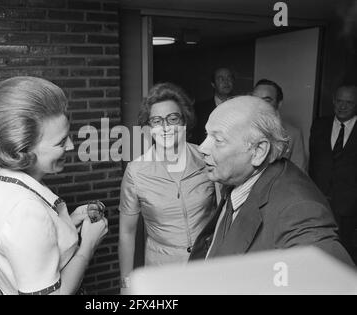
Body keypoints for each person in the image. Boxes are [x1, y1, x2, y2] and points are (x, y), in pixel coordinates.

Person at [0, 77, 108, 295]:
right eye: (61, 142)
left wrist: (68, 223)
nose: (72, 145)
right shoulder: (25, 212)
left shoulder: (8, 182)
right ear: (19, 152)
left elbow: (33, 248)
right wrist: (88, 245)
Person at [189, 96, 353, 266]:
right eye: (207, 135)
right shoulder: (239, 176)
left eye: (218, 140)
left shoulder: (299, 211)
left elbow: (335, 280)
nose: (202, 148)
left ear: (259, 151)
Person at [119, 83, 216, 290]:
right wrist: (126, 283)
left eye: (173, 118)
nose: (166, 127)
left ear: (185, 121)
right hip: (161, 270)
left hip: (207, 265)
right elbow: (127, 233)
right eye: (156, 120)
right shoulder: (136, 171)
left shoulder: (207, 158)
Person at [309, 85, 357, 258]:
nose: (342, 106)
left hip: (349, 210)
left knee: (344, 256)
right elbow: (313, 165)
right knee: (317, 253)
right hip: (318, 204)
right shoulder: (319, 125)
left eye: (349, 103)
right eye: (339, 101)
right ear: (333, 101)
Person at [252, 79, 307, 171]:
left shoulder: (293, 134)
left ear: (279, 104)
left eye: (267, 100)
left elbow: (299, 172)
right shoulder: (237, 128)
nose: (259, 104)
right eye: (255, 99)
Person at [192, 67, 235, 145]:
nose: (226, 81)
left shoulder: (240, 108)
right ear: (213, 84)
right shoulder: (199, 109)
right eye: (221, 78)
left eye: (229, 78)